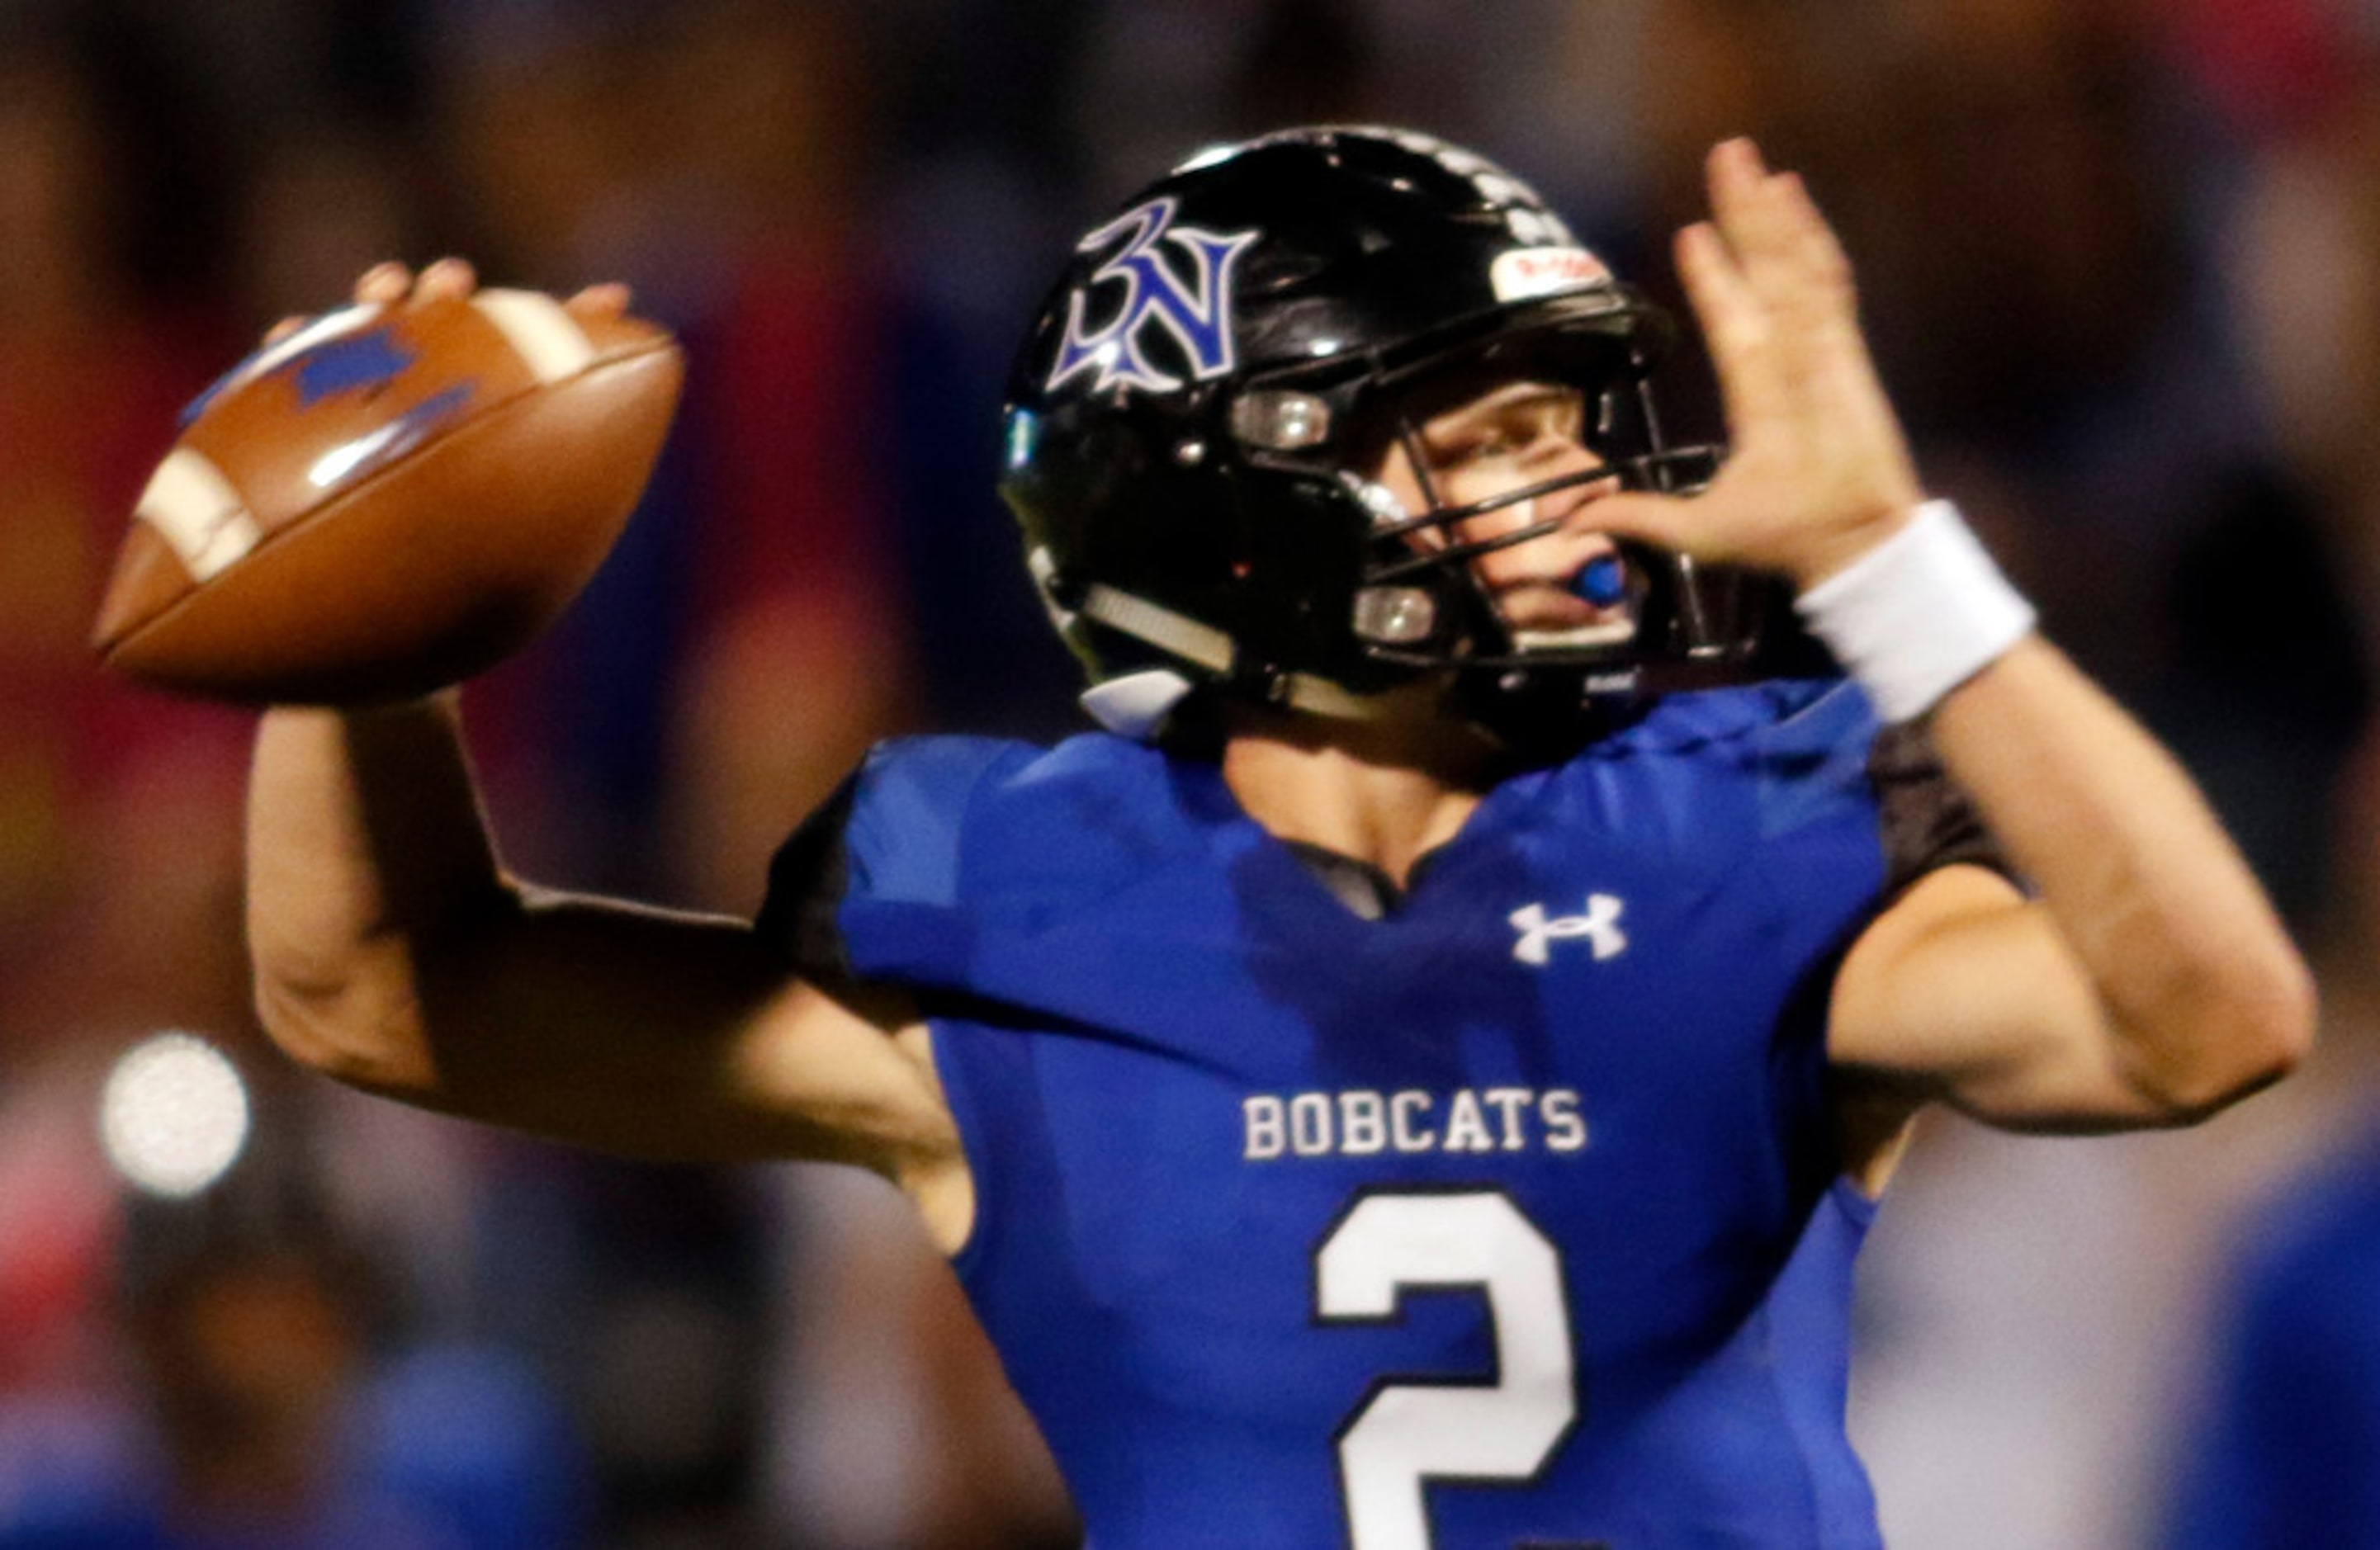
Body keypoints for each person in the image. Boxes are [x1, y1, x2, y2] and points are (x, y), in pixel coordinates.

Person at [239, 127, 2313, 1548]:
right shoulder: (1013, 922)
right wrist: (363, 628)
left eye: (1573, 427)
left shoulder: (1740, 845)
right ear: (1235, 509)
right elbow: (380, 998)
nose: (1581, 491)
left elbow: (2202, 1022)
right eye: (1488, 439)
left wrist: (1892, 564)